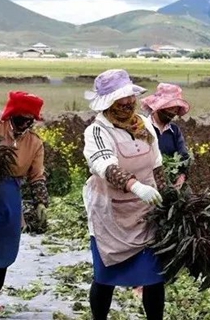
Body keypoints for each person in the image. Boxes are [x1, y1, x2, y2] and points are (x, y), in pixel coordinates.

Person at [82, 69, 168, 320]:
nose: (128, 104)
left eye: (130, 99)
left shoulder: (145, 126)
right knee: (105, 276)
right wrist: (136, 186)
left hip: (146, 212)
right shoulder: (97, 132)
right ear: (108, 104)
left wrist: (168, 195)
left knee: (153, 275)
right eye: (121, 101)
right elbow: (105, 165)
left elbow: (157, 164)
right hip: (111, 212)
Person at [0, 91, 49, 316]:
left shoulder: (34, 143)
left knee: (5, 249)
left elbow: (37, 176)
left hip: (11, 198)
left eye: (29, 121)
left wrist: (41, 202)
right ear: (10, 116)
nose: (24, 125)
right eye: (20, 119)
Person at [140, 83, 191, 188]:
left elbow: (183, 156)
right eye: (170, 107)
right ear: (158, 107)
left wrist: (181, 176)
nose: (173, 112)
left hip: (171, 185)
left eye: (176, 109)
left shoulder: (174, 130)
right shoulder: (142, 128)